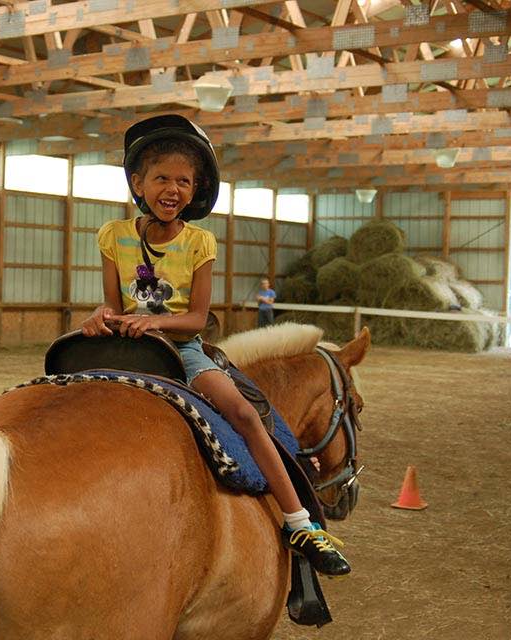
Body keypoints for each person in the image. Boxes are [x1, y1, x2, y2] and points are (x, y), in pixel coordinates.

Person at [81, 114, 350, 577]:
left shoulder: (199, 242)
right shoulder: (113, 236)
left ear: (194, 190)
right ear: (138, 183)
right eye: (161, 177)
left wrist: (154, 323)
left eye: (184, 181)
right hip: (124, 345)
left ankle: (299, 521)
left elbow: (199, 318)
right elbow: (111, 304)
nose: (173, 188)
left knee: (245, 414)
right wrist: (100, 316)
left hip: (180, 349)